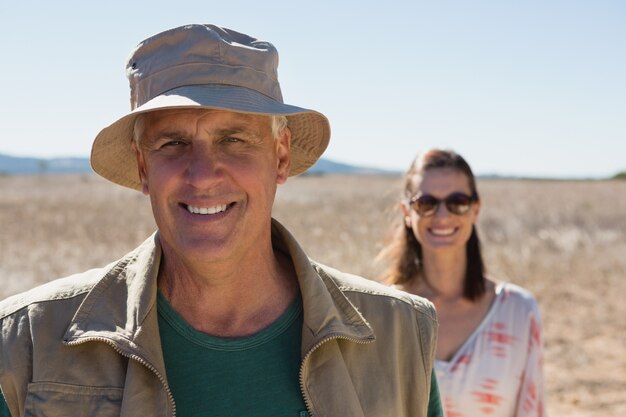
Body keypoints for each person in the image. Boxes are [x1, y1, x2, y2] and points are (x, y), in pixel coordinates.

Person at [0, 24, 443, 417]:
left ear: (281, 157)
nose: (203, 175)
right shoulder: (27, 344)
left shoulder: (399, 336)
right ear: (141, 168)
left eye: (233, 140)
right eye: (172, 143)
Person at [378, 149, 545, 417]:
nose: (442, 215)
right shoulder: (382, 312)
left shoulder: (518, 311)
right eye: (426, 203)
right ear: (407, 212)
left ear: (475, 209)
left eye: (457, 202)